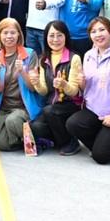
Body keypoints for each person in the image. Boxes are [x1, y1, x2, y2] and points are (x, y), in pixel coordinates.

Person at [64, 17, 110, 164]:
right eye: (93, 31)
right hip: (94, 111)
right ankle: (104, 142)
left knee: (101, 157)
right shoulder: (88, 55)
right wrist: (82, 83)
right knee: (73, 123)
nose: (98, 34)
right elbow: (86, 89)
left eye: (102, 30)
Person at [0, 18, 48, 151]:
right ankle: (22, 138)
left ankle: (38, 140)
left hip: (23, 108)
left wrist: (23, 72)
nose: (9, 36)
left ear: (19, 34)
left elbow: (33, 88)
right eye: (5, 33)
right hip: (4, 108)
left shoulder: (29, 54)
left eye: (13, 33)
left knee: (12, 122)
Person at [29, 20, 83, 155]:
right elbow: (44, 91)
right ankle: (59, 139)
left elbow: (74, 91)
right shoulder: (43, 59)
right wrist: (36, 82)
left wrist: (64, 84)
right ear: (46, 38)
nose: (55, 40)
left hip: (70, 104)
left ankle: (70, 143)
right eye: (51, 35)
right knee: (35, 126)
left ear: (66, 37)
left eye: (59, 35)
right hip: (52, 106)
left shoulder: (74, 58)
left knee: (49, 111)